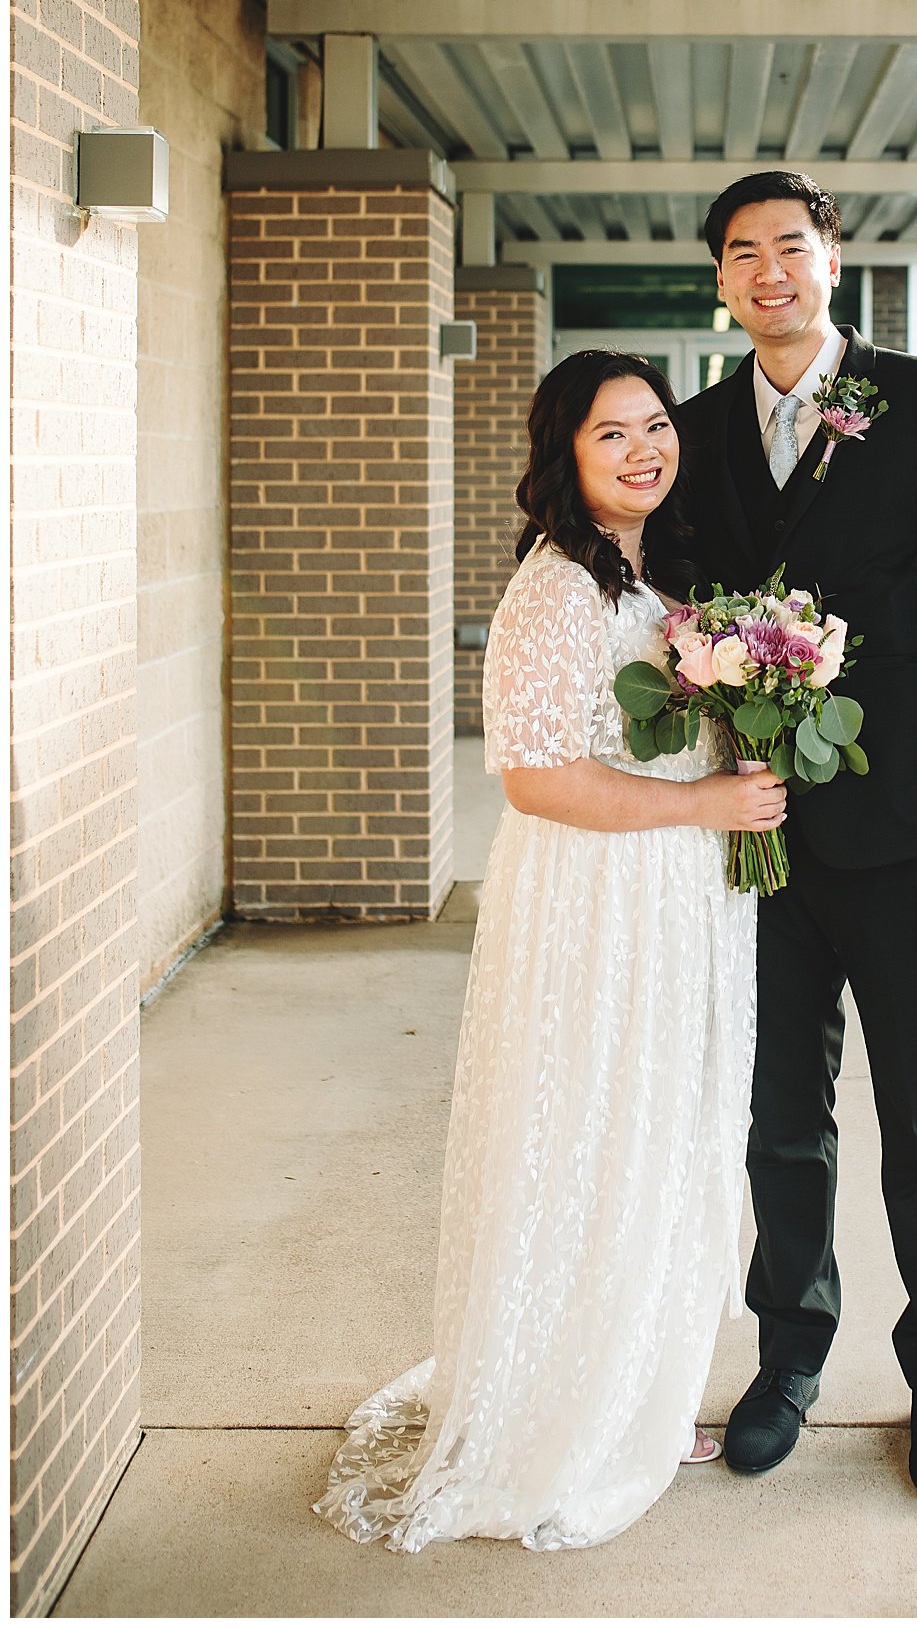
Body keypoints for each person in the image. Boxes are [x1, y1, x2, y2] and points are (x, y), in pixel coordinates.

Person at [313, 351, 784, 1553]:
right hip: (598, 906)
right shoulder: (554, 592)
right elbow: (535, 776)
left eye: (657, 424)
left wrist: (743, 743)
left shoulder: (659, 576)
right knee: (595, 1133)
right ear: (564, 458)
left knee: (663, 1138)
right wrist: (704, 807)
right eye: (611, 432)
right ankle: (570, 1412)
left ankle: (633, 1384)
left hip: (679, 905)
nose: (645, 447)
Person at [677, 171, 917, 1503]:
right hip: (757, 842)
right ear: (720, 277)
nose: (769, 270)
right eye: (742, 253)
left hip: (905, 833)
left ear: (833, 257)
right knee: (780, 1122)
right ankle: (790, 1356)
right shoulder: (699, 427)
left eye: (790, 246)